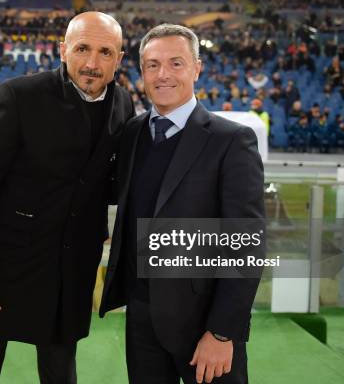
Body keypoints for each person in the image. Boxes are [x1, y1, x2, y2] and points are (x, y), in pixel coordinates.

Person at [0, 11, 133, 384]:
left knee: (61, 373)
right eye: (83, 48)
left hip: (71, 272)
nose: (92, 63)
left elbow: (107, 181)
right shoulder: (21, 95)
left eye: (105, 52)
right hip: (4, 266)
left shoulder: (123, 105)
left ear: (119, 58)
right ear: (63, 50)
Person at [100, 24, 265, 384]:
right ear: (141, 71)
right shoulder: (132, 134)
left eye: (176, 63)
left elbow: (246, 245)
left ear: (197, 68)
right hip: (141, 319)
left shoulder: (232, 141)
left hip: (204, 326)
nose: (163, 75)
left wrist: (223, 332)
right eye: (152, 65)